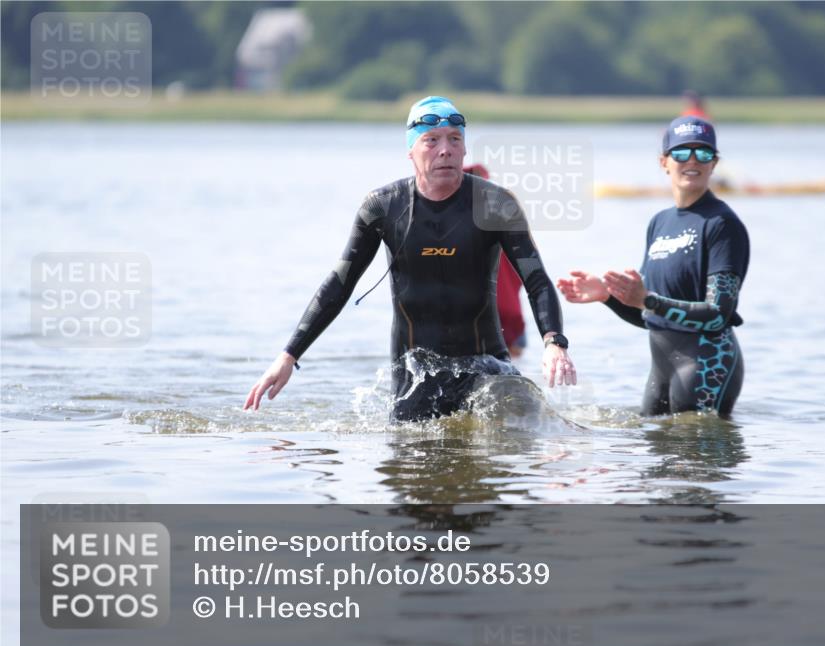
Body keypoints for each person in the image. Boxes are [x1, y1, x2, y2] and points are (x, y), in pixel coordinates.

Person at [245, 96, 576, 421]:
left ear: (464, 149)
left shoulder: (496, 204)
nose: (445, 149)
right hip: (415, 379)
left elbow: (536, 281)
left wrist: (554, 343)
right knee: (410, 448)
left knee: (520, 418)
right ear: (411, 150)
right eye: (431, 140)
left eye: (455, 139)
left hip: (488, 369)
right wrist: (288, 356)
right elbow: (339, 285)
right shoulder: (383, 207)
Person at [557, 116, 749, 416]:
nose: (692, 160)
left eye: (703, 153)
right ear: (664, 162)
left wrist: (647, 300)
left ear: (714, 164)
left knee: (694, 447)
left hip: (707, 364)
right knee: (649, 444)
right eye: (682, 152)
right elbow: (650, 317)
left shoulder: (722, 225)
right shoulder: (659, 223)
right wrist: (608, 296)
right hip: (661, 370)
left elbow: (717, 315)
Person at [462, 163, 527, 358]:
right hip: (512, 315)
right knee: (512, 369)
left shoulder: (459, 226)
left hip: (482, 318)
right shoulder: (505, 219)